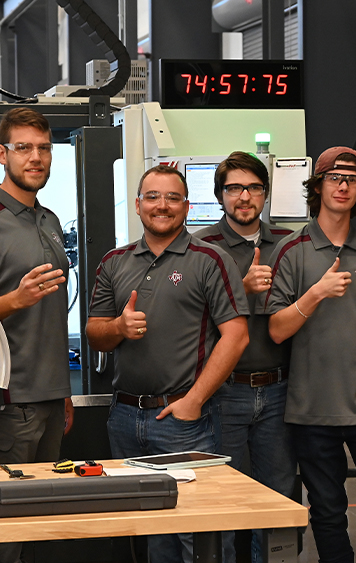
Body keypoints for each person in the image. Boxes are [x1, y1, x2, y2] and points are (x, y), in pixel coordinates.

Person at [86, 164, 250, 563]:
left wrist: (193, 401)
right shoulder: (114, 261)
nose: (163, 205)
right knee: (154, 534)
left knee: (201, 536)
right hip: (124, 419)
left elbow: (237, 335)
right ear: (138, 205)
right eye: (153, 197)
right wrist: (119, 327)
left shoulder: (211, 259)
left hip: (184, 422)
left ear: (187, 206)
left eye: (173, 197)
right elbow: (94, 332)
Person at [263, 147, 356, 563]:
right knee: (328, 513)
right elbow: (276, 329)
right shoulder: (292, 251)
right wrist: (315, 293)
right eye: (334, 177)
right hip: (311, 411)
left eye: (350, 179)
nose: (342, 185)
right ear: (318, 186)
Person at [0, 107, 73, 563]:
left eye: (44, 148)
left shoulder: (50, 220)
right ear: (2, 154)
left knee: (40, 527)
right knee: (4, 534)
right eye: (23, 148)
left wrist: (61, 391)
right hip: (7, 402)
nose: (35, 157)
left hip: (48, 396)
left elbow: (52, 319)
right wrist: (14, 300)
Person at [195, 151, 295, 563]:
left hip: (280, 390)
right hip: (225, 392)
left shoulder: (290, 243)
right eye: (234, 188)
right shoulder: (200, 247)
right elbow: (189, 316)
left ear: (265, 194)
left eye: (254, 188)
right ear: (220, 196)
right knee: (227, 497)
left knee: (277, 496)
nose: (244, 197)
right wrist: (241, 286)